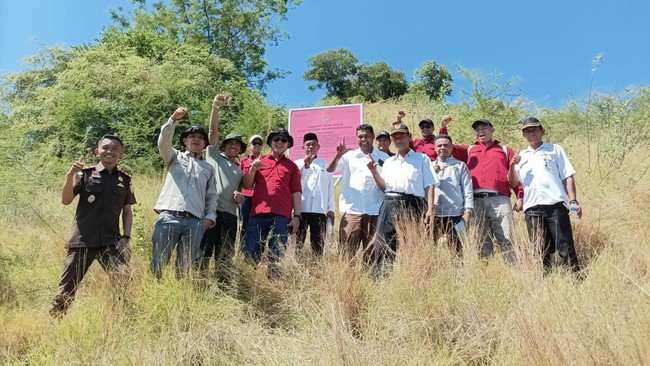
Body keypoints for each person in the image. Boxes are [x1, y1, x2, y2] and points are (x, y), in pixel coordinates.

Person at [50, 135, 136, 317]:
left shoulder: (125, 180)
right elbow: (65, 201)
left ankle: (122, 320)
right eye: (105, 148)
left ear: (121, 153)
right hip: (82, 241)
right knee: (66, 290)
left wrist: (126, 237)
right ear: (97, 151)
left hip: (111, 243)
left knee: (124, 280)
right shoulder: (84, 175)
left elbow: (127, 211)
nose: (109, 152)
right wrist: (70, 175)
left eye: (114, 148)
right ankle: (54, 322)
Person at [150, 107, 218, 278]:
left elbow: (211, 196)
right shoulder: (174, 157)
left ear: (205, 144)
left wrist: (209, 218)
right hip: (169, 217)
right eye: (192, 136)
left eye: (201, 138)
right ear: (185, 141)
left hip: (195, 222)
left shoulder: (208, 168)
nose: (197, 139)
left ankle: (182, 300)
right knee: (158, 261)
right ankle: (154, 295)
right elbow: (163, 142)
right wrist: (173, 119)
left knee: (185, 267)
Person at [509, 117, 582, 273]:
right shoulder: (521, 156)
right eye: (527, 130)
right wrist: (512, 165)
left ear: (542, 131)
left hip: (555, 204)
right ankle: (543, 279)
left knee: (564, 244)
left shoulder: (554, 149)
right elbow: (514, 183)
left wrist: (573, 201)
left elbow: (567, 175)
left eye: (535, 129)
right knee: (539, 247)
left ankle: (574, 277)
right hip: (532, 207)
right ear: (523, 135)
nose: (532, 133)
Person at [366, 123, 438, 275]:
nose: (399, 140)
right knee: (384, 242)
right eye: (395, 137)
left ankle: (414, 276)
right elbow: (384, 187)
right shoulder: (389, 162)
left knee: (413, 242)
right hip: (389, 203)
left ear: (409, 137)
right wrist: (374, 172)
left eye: (402, 136)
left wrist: (431, 209)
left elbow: (430, 185)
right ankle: (382, 278)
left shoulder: (421, 159)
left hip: (412, 204)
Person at [242, 128, 302, 278]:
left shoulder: (292, 166)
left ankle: (273, 287)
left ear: (288, 144)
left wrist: (297, 216)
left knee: (277, 254)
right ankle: (249, 285)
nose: (279, 142)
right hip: (258, 213)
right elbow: (247, 185)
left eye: (283, 140)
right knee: (251, 251)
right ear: (270, 142)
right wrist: (252, 170)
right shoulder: (259, 162)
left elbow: (296, 192)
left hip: (281, 216)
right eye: (276, 139)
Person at [327, 124, 390, 263]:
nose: (363, 139)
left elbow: (387, 184)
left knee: (372, 252)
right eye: (360, 136)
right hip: (352, 211)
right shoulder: (349, 156)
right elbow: (330, 169)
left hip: (375, 210)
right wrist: (338, 155)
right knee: (347, 251)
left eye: (366, 136)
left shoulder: (384, 157)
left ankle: (370, 281)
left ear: (373, 137)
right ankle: (348, 280)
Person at [199, 94, 245, 283]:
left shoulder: (240, 170)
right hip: (211, 212)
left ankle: (222, 287)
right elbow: (212, 132)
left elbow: (241, 191)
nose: (233, 146)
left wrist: (240, 197)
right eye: (230, 143)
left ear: (240, 149)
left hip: (231, 216)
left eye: (237, 144)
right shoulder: (214, 156)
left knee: (225, 254)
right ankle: (199, 284)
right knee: (204, 251)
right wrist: (216, 107)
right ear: (223, 146)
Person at [466, 119, 523, 263]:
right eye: (477, 129)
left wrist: (520, 196)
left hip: (500, 199)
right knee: (481, 239)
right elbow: (445, 147)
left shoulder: (504, 150)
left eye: (484, 128)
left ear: (492, 131)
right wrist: (443, 128)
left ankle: (513, 269)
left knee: (506, 236)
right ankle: (486, 271)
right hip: (476, 200)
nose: (481, 131)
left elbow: (514, 173)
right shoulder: (469, 150)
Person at [294, 133, 335, 257]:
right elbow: (294, 184)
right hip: (301, 208)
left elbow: (330, 188)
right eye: (308, 144)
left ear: (319, 147)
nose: (311, 147)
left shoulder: (325, 164)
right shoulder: (296, 164)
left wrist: (331, 209)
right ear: (303, 147)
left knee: (318, 242)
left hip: (319, 209)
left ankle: (317, 267)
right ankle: (297, 264)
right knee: (298, 241)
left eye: (313, 144)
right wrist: (305, 166)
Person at [432, 134, 474, 254]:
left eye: (446, 145)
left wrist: (468, 212)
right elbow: (422, 188)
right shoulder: (429, 165)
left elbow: (468, 189)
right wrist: (432, 174)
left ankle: (458, 272)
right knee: (432, 246)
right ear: (435, 148)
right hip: (435, 214)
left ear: (451, 148)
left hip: (456, 214)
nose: (442, 148)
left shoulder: (460, 165)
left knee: (457, 247)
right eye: (439, 145)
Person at [239, 133, 264, 247]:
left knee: (259, 224)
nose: (257, 145)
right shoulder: (243, 161)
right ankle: (242, 248)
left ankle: (255, 248)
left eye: (260, 143)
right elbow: (238, 179)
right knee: (244, 224)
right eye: (255, 143)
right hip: (245, 197)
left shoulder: (266, 161)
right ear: (250, 146)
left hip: (260, 198)